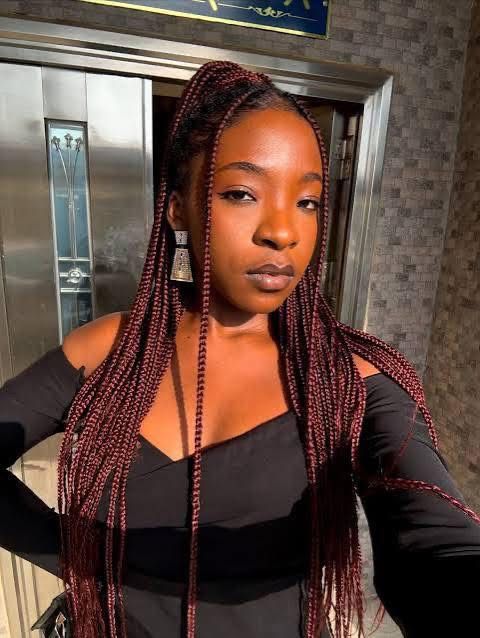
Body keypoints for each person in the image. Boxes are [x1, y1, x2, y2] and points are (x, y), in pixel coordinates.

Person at [0, 60, 479, 638]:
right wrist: (78, 555)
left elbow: (433, 536)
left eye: (307, 202)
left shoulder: (348, 381)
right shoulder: (111, 351)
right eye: (242, 193)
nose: (283, 231)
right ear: (178, 209)